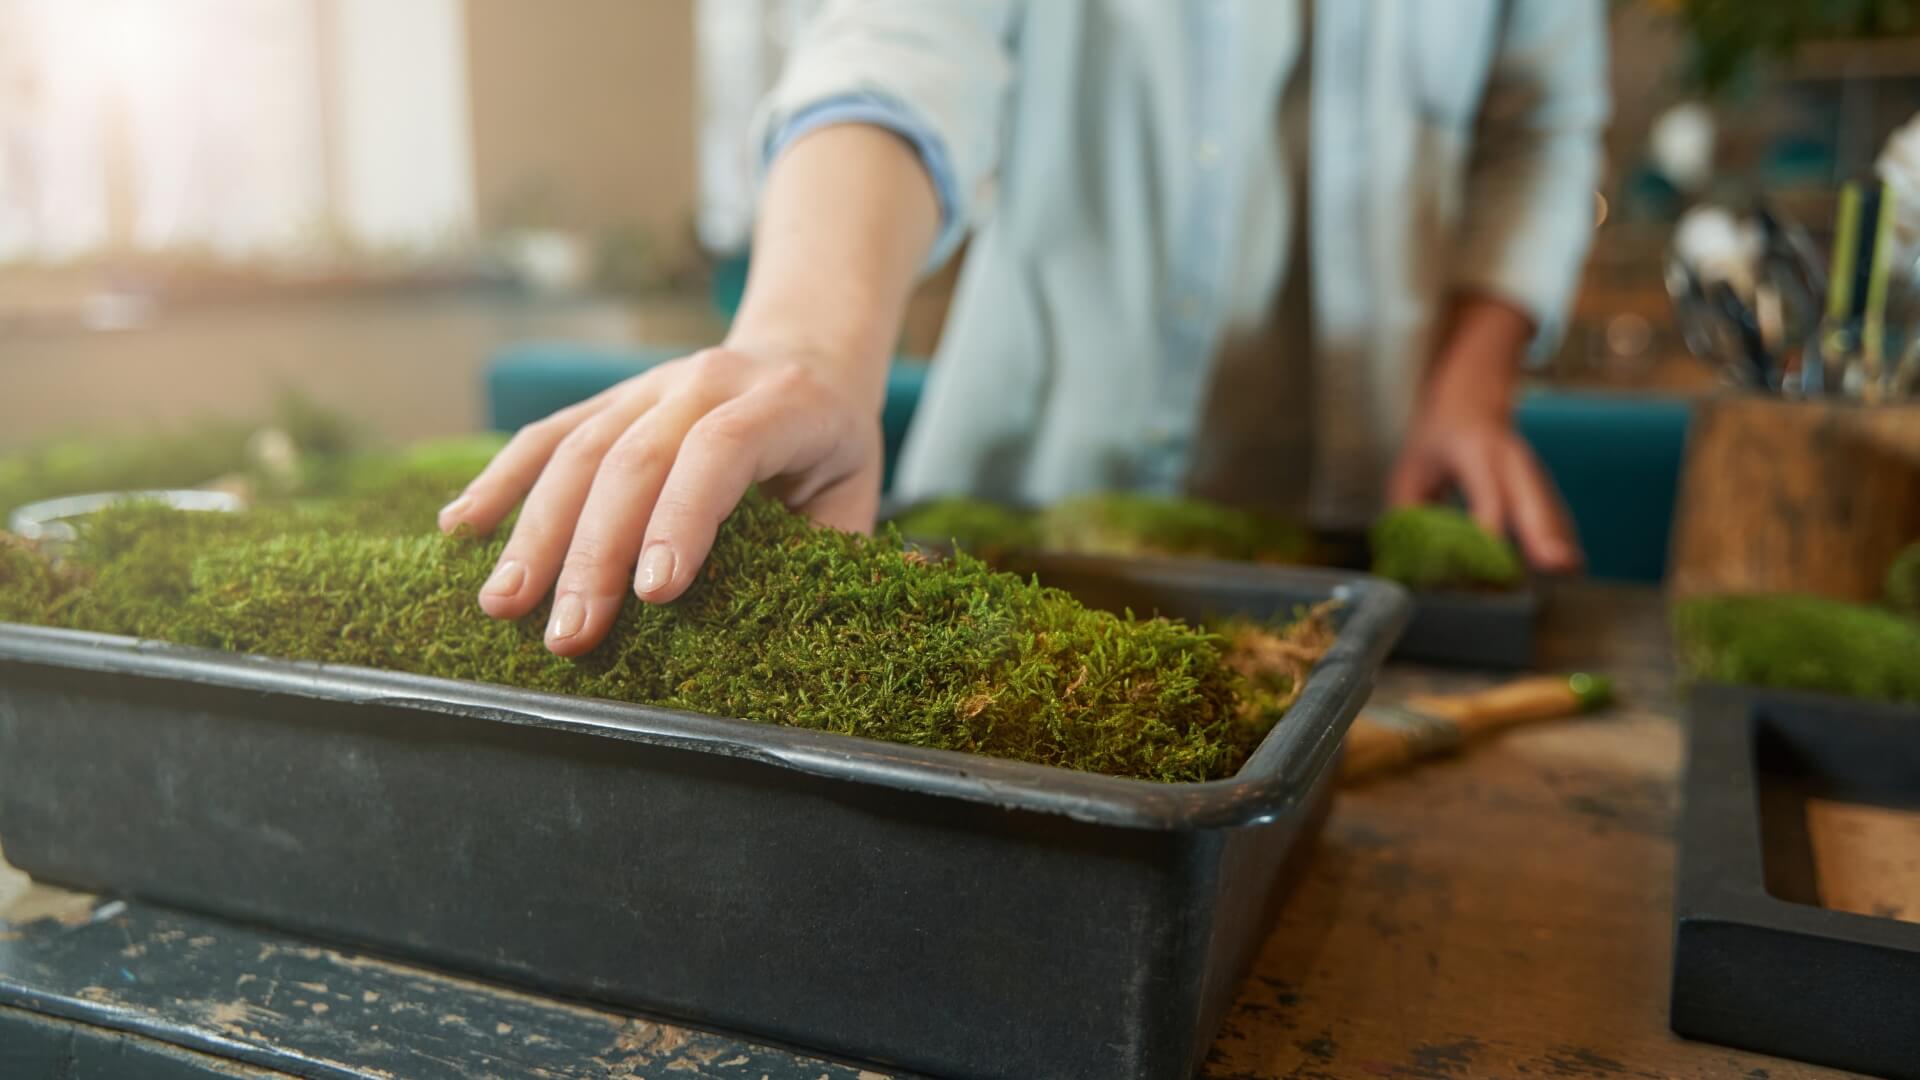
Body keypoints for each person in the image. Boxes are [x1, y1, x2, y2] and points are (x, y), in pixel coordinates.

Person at [438, 0, 1610, 657]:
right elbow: (894, 41)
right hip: (1014, 502)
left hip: (1360, 511)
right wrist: (806, 337)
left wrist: (1472, 378)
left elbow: (1543, 127)